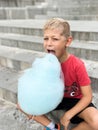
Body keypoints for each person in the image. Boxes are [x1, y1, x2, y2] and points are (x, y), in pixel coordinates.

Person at [17, 18, 98, 130]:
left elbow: (88, 96)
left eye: (55, 39)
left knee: (96, 121)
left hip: (74, 99)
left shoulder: (77, 65)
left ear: (68, 41)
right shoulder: (44, 64)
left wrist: (68, 115)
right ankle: (53, 127)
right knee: (22, 104)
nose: (49, 44)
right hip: (53, 99)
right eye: (46, 39)